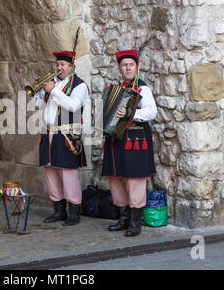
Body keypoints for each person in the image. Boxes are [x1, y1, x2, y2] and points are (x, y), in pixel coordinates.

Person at [101, 49, 157, 237]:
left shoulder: (143, 89)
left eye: (131, 65)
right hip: (116, 139)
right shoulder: (116, 89)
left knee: (135, 180)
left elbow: (151, 112)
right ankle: (124, 217)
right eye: (124, 65)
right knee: (116, 179)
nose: (127, 68)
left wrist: (131, 114)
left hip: (135, 138)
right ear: (120, 68)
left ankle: (135, 221)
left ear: (136, 67)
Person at [33, 50, 89, 226]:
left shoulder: (79, 86)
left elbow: (73, 106)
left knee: (68, 173)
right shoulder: (53, 84)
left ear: (72, 67)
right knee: (51, 171)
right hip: (49, 132)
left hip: (67, 133)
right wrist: (39, 93)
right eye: (57, 65)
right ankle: (58, 210)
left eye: (63, 65)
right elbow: (37, 106)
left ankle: (74, 212)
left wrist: (54, 91)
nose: (59, 68)